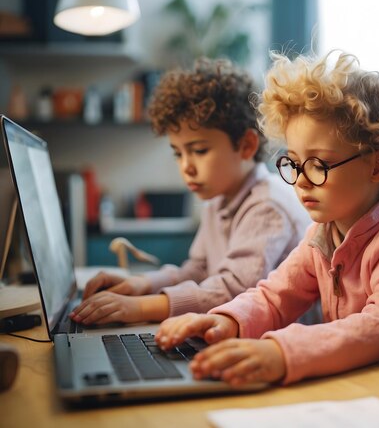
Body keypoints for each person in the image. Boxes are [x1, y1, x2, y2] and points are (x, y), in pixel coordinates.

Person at [155, 50, 379, 387]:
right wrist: (224, 321)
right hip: (369, 381)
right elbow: (274, 297)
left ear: (377, 166)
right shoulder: (321, 237)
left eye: (319, 164)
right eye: (294, 162)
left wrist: (282, 351)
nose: (302, 180)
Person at [70, 58, 310, 325]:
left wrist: (138, 308)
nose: (186, 167)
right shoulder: (218, 201)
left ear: (246, 145)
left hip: (283, 341)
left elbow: (234, 290)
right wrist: (140, 284)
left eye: (199, 151)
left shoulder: (268, 205)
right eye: (178, 153)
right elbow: (199, 270)